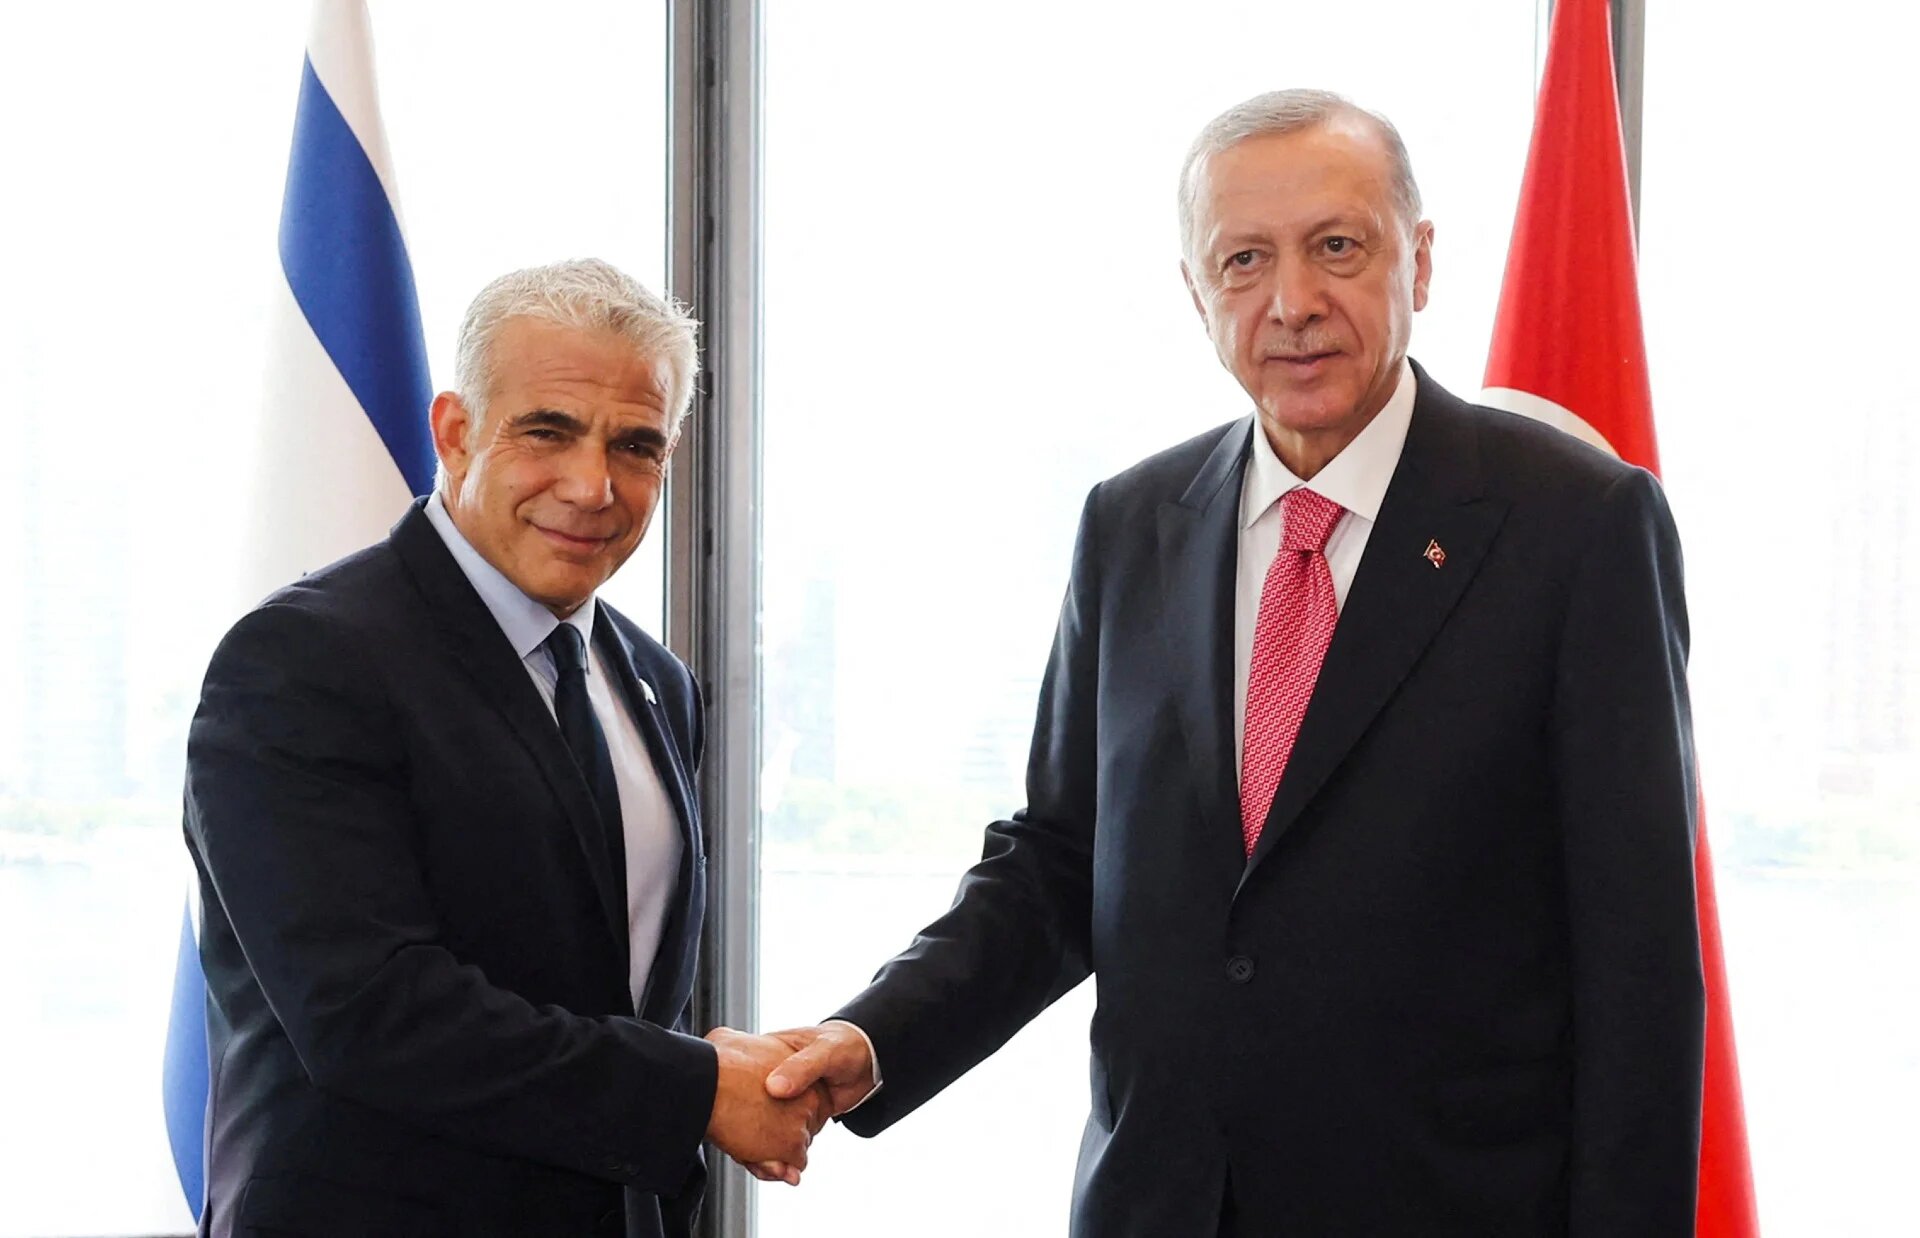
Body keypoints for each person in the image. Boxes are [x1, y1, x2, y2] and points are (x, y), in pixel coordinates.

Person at [756, 91, 1706, 1235]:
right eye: (1244, 260)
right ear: (1197, 292)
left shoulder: (1578, 524)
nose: (1293, 302)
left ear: (1421, 261)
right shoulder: (1133, 522)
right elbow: (1060, 862)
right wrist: (873, 1038)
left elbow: (1640, 964)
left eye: (1337, 248)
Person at [183, 259, 819, 1238]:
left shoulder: (658, 681)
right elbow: (372, 1014)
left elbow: (603, 989)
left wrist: (742, 1071)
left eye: (637, 444)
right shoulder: (303, 660)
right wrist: (697, 1085)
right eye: (549, 431)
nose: (593, 483)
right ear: (455, 431)